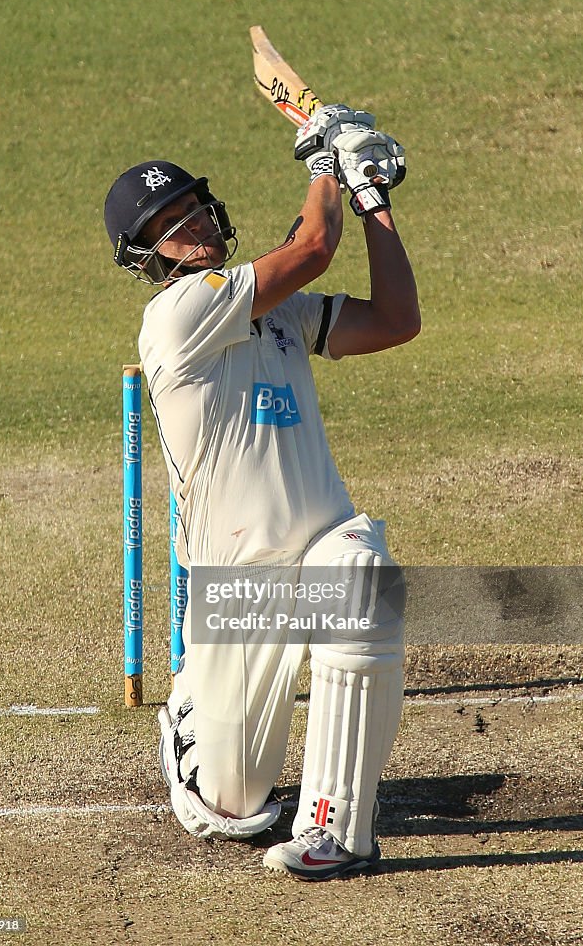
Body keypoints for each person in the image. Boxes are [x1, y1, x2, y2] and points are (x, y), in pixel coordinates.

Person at [104, 106, 421, 880]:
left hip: (321, 546)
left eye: (196, 210)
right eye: (171, 225)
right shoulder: (175, 315)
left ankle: (336, 830)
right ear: (148, 257)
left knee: (360, 573)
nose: (195, 227)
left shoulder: (280, 311)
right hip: (238, 589)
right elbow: (312, 247)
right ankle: (194, 721)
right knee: (234, 804)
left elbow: (395, 320)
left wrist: (373, 200)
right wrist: (326, 167)